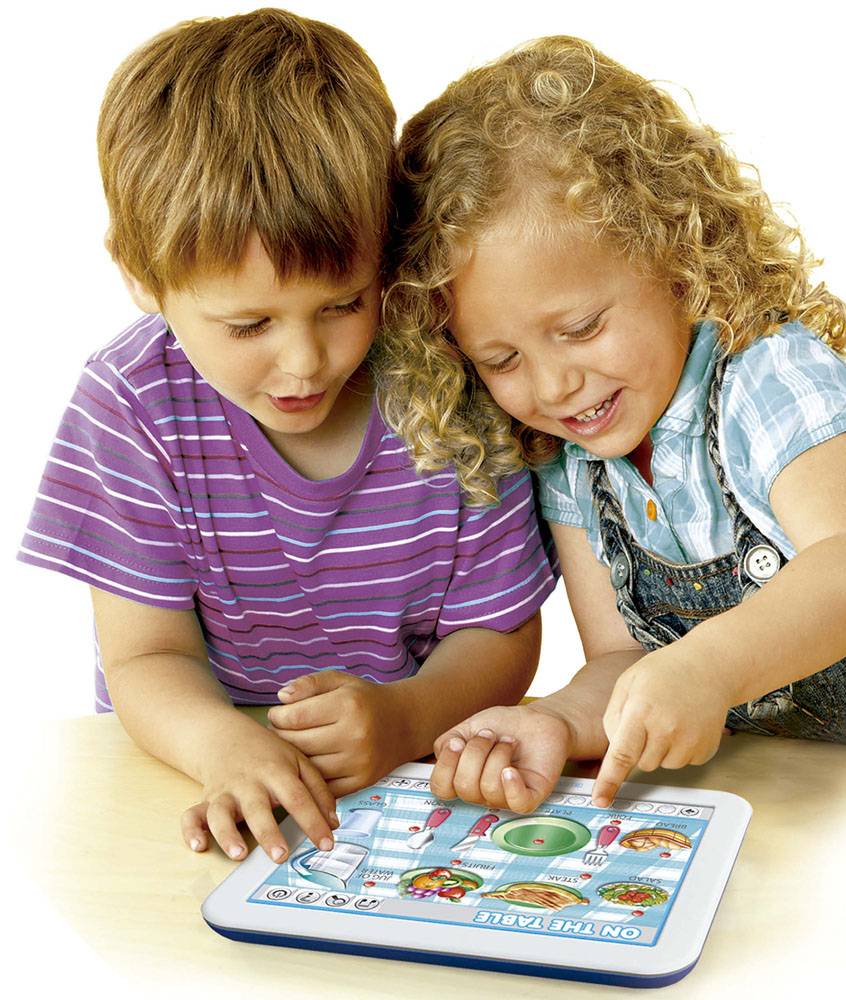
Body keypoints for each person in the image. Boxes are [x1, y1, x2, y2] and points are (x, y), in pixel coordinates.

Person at [377, 35, 846, 811]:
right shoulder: (568, 461)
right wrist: (560, 721)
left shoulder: (765, 374)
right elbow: (621, 659)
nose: (554, 384)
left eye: (580, 328)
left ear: (674, 254)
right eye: (502, 360)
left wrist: (707, 667)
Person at [18, 11, 557, 861]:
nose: (305, 362)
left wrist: (407, 716)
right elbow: (146, 657)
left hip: (415, 789)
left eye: (344, 304)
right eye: (248, 325)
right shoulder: (130, 406)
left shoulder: (450, 383)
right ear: (140, 276)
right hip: (200, 793)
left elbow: (501, 631)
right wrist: (223, 748)